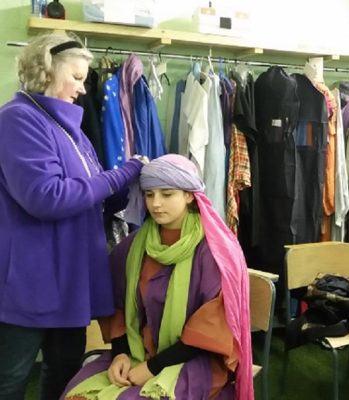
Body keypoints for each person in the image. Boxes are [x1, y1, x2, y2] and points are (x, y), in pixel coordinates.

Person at [0, 32, 147, 400]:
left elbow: (89, 197)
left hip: (69, 279)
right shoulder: (18, 119)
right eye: (78, 78)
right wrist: (122, 173)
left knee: (65, 376)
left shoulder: (69, 129)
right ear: (46, 71)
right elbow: (46, 197)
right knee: (10, 381)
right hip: (29, 282)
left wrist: (122, 191)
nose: (83, 89)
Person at [61, 153, 254, 400]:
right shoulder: (132, 247)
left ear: (188, 195)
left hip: (197, 359)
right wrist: (120, 354)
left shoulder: (215, 252)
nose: (156, 204)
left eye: (167, 193)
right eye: (150, 194)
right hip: (137, 352)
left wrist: (152, 368)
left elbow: (212, 329)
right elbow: (117, 307)